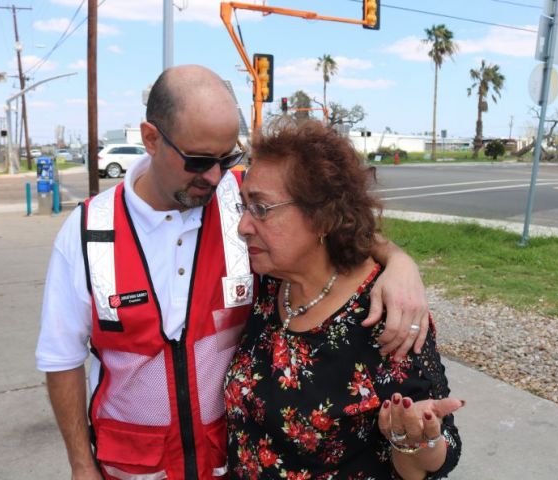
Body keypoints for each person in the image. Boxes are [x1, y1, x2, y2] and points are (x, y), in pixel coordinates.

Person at [35, 65, 432, 480]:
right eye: (199, 160)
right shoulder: (89, 234)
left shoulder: (243, 201)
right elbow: (61, 359)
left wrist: (400, 262)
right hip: (131, 468)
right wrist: (82, 465)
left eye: (228, 157)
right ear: (151, 139)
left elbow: (330, 219)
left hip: (227, 463)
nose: (214, 176)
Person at [225, 119, 463, 479]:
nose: (243, 226)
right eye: (243, 206)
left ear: (321, 217)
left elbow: (432, 459)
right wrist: (399, 256)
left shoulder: (383, 316)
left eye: (260, 208)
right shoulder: (269, 285)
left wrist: (412, 439)